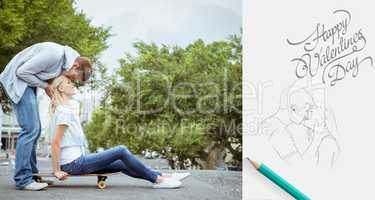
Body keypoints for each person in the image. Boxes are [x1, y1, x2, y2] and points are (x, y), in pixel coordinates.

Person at [48, 75, 189, 189]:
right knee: (121, 150)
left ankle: (163, 176)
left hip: (76, 161)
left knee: (122, 164)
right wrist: (56, 170)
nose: (73, 84)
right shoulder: (64, 111)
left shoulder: (65, 108)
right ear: (60, 88)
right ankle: (158, 180)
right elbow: (55, 142)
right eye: (68, 83)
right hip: (73, 164)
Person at [0, 42, 92, 190]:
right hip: (17, 80)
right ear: (75, 66)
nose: (73, 81)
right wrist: (46, 86)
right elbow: (22, 72)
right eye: (75, 78)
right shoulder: (54, 54)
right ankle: (23, 179)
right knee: (30, 129)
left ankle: (33, 176)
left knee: (35, 130)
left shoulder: (64, 63)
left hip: (27, 84)